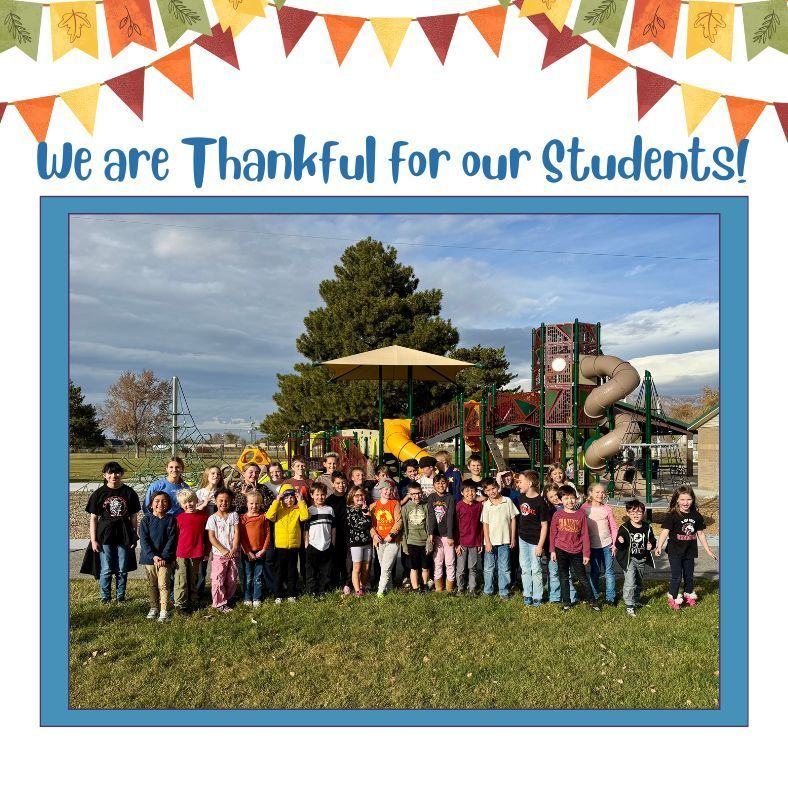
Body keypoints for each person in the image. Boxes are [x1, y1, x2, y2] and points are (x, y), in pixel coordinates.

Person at [85, 461, 141, 604]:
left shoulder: (129, 492)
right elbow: (93, 518)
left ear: (121, 474)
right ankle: (105, 597)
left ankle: (120, 596)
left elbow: (134, 516)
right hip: (105, 535)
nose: (113, 475)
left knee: (122, 568)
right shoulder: (99, 493)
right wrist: (94, 540)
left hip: (124, 534)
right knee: (107, 568)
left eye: (117, 472)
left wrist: (134, 536)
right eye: (110, 473)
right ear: (105, 475)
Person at [655, 485, 716, 609]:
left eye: (688, 499)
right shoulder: (672, 515)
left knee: (689, 575)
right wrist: (659, 546)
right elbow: (665, 532)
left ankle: (688, 594)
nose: (685, 502)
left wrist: (708, 550)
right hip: (674, 552)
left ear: (692, 499)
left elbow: (700, 534)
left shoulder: (696, 516)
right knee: (677, 577)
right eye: (682, 499)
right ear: (677, 500)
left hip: (689, 552)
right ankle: (673, 598)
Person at [549, 485, 599, 612]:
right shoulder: (557, 515)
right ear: (560, 500)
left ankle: (593, 602)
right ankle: (566, 603)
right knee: (564, 577)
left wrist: (586, 554)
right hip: (560, 550)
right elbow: (553, 533)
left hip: (577, 551)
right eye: (566, 498)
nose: (569, 501)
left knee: (582, 578)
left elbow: (585, 535)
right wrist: (552, 550)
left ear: (576, 499)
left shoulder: (580, 515)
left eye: (572, 498)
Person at [266, 483, 310, 603]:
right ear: (281, 498)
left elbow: (305, 516)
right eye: (286, 497)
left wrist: (301, 501)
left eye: (291, 497)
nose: (289, 500)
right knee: (279, 572)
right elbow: (269, 516)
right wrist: (277, 501)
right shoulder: (278, 510)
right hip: (280, 547)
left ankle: (291, 593)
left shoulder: (297, 510)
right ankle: (278, 595)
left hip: (294, 547)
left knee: (292, 572)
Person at [138, 491, 178, 621]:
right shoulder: (146, 520)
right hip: (149, 559)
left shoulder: (171, 520)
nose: (160, 504)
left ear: (168, 504)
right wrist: (154, 556)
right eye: (157, 501)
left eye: (164, 501)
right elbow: (144, 540)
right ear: (151, 504)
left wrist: (164, 557)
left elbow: (172, 540)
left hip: (165, 560)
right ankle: (154, 607)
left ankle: (163, 610)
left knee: (164, 584)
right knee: (153, 585)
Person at [615, 499, 656, 617]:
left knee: (639, 582)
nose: (636, 515)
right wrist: (620, 542)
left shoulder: (647, 527)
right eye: (632, 512)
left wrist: (651, 545)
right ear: (628, 513)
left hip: (642, 558)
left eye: (639, 512)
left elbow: (652, 540)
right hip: (629, 559)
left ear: (643, 513)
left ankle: (636, 600)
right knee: (630, 582)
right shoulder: (624, 527)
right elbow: (619, 545)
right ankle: (629, 605)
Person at [516, 470, 550, 607]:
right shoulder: (520, 498)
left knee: (536, 569)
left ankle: (537, 596)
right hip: (522, 539)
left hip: (535, 542)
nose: (518, 484)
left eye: (520, 481)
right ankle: (527, 594)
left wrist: (540, 545)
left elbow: (544, 525)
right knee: (525, 568)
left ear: (529, 483)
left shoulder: (540, 503)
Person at [581, 482, 619, 606]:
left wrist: (614, 544)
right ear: (590, 493)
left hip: (607, 545)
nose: (600, 494)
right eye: (597, 492)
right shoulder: (584, 509)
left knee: (609, 572)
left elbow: (613, 527)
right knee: (595, 571)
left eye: (602, 492)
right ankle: (595, 596)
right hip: (592, 547)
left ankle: (610, 597)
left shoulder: (607, 508)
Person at [481, 477, 518, 599]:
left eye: (493, 488)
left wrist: (512, 538)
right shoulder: (486, 505)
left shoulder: (507, 501)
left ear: (497, 487)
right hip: (490, 542)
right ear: (485, 492)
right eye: (488, 490)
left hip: (505, 541)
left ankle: (503, 591)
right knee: (488, 568)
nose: (492, 492)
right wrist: (487, 542)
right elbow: (485, 524)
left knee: (504, 567)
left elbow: (513, 519)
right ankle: (488, 590)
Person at [173, 489, 209, 613]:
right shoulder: (179, 518)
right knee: (181, 578)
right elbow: (175, 537)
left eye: (191, 501)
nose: (188, 504)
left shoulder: (203, 516)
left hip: (197, 552)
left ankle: (193, 600)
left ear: (196, 501)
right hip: (181, 553)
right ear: (181, 505)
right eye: (185, 503)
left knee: (193, 577)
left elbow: (207, 536)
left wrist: (207, 551)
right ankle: (180, 603)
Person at [194, 465, 227, 598]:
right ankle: (198, 590)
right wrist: (204, 503)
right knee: (202, 561)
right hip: (203, 532)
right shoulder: (199, 493)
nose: (215, 476)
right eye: (212, 473)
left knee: (220, 561)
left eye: (218, 474)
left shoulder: (222, 492)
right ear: (207, 475)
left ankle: (220, 589)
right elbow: (194, 511)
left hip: (220, 532)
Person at [206, 489, 240, 613]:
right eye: (221, 500)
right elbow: (212, 537)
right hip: (219, 554)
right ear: (216, 502)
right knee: (218, 578)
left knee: (231, 577)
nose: (224, 503)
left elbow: (237, 532)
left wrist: (235, 547)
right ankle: (219, 602)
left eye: (227, 500)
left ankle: (228, 598)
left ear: (230, 502)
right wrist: (222, 549)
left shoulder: (234, 515)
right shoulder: (212, 519)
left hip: (233, 553)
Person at [369, 480, 403, 596]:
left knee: (386, 568)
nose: (388, 492)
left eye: (390, 489)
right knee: (384, 567)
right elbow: (370, 524)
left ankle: (379, 592)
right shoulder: (373, 506)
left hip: (392, 541)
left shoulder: (395, 503)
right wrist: (374, 534)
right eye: (386, 489)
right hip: (379, 541)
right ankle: (390, 589)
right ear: (380, 490)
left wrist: (392, 534)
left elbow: (399, 521)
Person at [238, 490, 271, 607]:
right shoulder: (243, 518)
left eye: (257, 503)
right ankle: (247, 597)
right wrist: (248, 552)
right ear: (247, 504)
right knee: (248, 576)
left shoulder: (263, 517)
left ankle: (257, 597)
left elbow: (268, 534)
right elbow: (241, 537)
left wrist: (264, 550)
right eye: (251, 503)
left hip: (260, 552)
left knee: (258, 576)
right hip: (247, 553)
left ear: (260, 504)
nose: (254, 506)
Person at [304, 481, 336, 596]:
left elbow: (333, 528)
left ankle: (323, 590)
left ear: (326, 495)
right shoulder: (309, 510)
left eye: (322, 494)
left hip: (327, 545)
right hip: (313, 545)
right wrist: (306, 544)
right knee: (312, 570)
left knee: (326, 570)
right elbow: (306, 529)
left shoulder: (329, 510)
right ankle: (312, 590)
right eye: (317, 494)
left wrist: (332, 542)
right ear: (312, 495)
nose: (320, 497)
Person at [427, 473, 456, 592]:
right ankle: (439, 587)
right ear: (434, 485)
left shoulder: (450, 498)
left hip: (447, 536)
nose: (441, 485)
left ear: (447, 484)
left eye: (443, 482)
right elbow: (432, 516)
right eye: (438, 483)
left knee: (450, 562)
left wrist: (450, 536)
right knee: (437, 561)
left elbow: (450, 517)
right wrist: (430, 533)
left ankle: (449, 588)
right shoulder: (431, 498)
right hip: (436, 535)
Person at [400, 481, 430, 592]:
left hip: (424, 541)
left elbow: (429, 526)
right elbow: (404, 529)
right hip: (411, 542)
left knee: (425, 567)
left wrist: (429, 543)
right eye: (413, 494)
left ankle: (425, 585)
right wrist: (405, 545)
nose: (416, 496)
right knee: (413, 567)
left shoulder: (425, 506)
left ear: (422, 493)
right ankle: (415, 587)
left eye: (418, 493)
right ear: (409, 495)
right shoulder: (405, 508)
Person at [455, 479, 483, 595]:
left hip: (474, 542)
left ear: (476, 492)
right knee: (461, 569)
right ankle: (460, 588)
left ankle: (472, 588)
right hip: (462, 543)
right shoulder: (459, 506)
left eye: (472, 490)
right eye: (467, 491)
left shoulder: (479, 506)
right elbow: (455, 526)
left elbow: (481, 525)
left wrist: (480, 542)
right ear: (462, 492)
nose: (470, 493)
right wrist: (457, 544)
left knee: (473, 568)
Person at [346, 485, 373, 597]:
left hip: (367, 542)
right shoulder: (350, 510)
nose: (359, 498)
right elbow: (357, 526)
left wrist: (367, 514)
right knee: (357, 567)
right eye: (356, 495)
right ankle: (358, 591)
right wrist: (368, 518)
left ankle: (362, 585)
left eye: (361, 495)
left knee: (366, 567)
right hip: (356, 543)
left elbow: (371, 524)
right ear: (352, 497)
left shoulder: (367, 508)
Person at [326, 472, 351, 594]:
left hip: (349, 534)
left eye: (343, 482)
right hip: (335, 534)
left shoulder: (349, 498)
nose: (341, 485)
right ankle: (335, 583)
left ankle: (347, 583)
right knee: (335, 559)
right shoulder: (329, 501)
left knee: (347, 560)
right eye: (338, 483)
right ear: (332, 484)